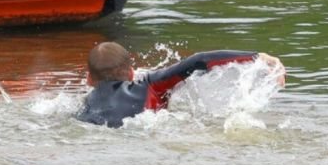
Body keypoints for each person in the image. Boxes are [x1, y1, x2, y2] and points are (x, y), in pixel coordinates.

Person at [77, 41, 284, 127]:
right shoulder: (149, 84)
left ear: (89, 79)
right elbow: (199, 60)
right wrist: (258, 57)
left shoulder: (85, 105)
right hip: (145, 134)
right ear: (132, 74)